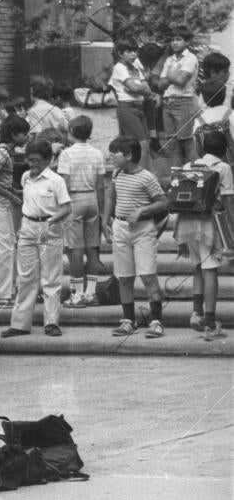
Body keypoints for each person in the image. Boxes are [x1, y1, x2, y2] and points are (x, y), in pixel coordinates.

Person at [1, 139, 71, 339]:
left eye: (37, 161)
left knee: (50, 276)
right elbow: (25, 200)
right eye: (29, 160)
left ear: (48, 160)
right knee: (25, 277)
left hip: (47, 227)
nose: (33, 165)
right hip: (28, 226)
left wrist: (51, 222)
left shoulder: (56, 180)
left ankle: (51, 322)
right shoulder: (25, 177)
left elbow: (67, 207)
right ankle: (20, 323)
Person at [102, 136, 167, 338]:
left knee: (147, 274)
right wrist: (105, 220)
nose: (111, 156)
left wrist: (143, 210)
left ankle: (156, 320)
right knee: (124, 276)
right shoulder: (117, 173)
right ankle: (128, 319)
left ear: (129, 155)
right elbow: (111, 195)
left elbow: (163, 202)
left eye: (115, 153)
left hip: (142, 229)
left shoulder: (146, 177)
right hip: (120, 227)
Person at [175, 131, 234, 340]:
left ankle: (196, 312)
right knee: (211, 271)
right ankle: (210, 322)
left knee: (198, 267)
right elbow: (228, 203)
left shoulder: (189, 166)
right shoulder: (223, 168)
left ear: (202, 148)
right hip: (208, 224)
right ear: (225, 149)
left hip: (187, 224)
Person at [57, 115, 106, 308]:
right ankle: (91, 293)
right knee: (92, 247)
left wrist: (62, 206)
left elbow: (65, 184)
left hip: (74, 200)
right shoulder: (97, 153)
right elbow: (101, 185)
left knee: (75, 248)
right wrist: (101, 210)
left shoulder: (66, 154)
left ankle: (77, 294)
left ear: (71, 131)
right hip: (92, 198)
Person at [0, 115, 29, 307]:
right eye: (23, 133)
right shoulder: (1, 153)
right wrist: (11, 196)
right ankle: (1, 295)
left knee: (9, 246)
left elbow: (1, 182)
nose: (26, 137)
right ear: (13, 135)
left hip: (3, 202)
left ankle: (6, 291)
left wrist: (15, 192)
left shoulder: (6, 153)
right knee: (4, 249)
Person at [109, 40, 157, 167]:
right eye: (129, 51)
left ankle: (148, 176)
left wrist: (134, 87)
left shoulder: (135, 67)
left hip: (140, 107)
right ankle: (138, 176)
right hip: (127, 108)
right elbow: (138, 88)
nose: (133, 54)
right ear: (120, 54)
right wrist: (137, 87)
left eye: (135, 51)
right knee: (142, 144)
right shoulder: (119, 68)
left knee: (145, 143)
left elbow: (147, 90)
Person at [158, 35, 199, 166]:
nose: (174, 42)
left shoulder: (190, 58)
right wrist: (174, 75)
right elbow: (160, 85)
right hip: (168, 102)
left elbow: (181, 81)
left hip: (184, 102)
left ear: (187, 42)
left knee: (186, 142)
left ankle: (196, 177)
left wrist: (169, 75)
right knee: (172, 143)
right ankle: (177, 179)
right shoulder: (170, 59)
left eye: (179, 39)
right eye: (172, 39)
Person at [193, 79, 234, 162]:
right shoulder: (231, 114)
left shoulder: (199, 120)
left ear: (204, 99)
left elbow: (197, 146)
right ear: (225, 95)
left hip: (210, 164)